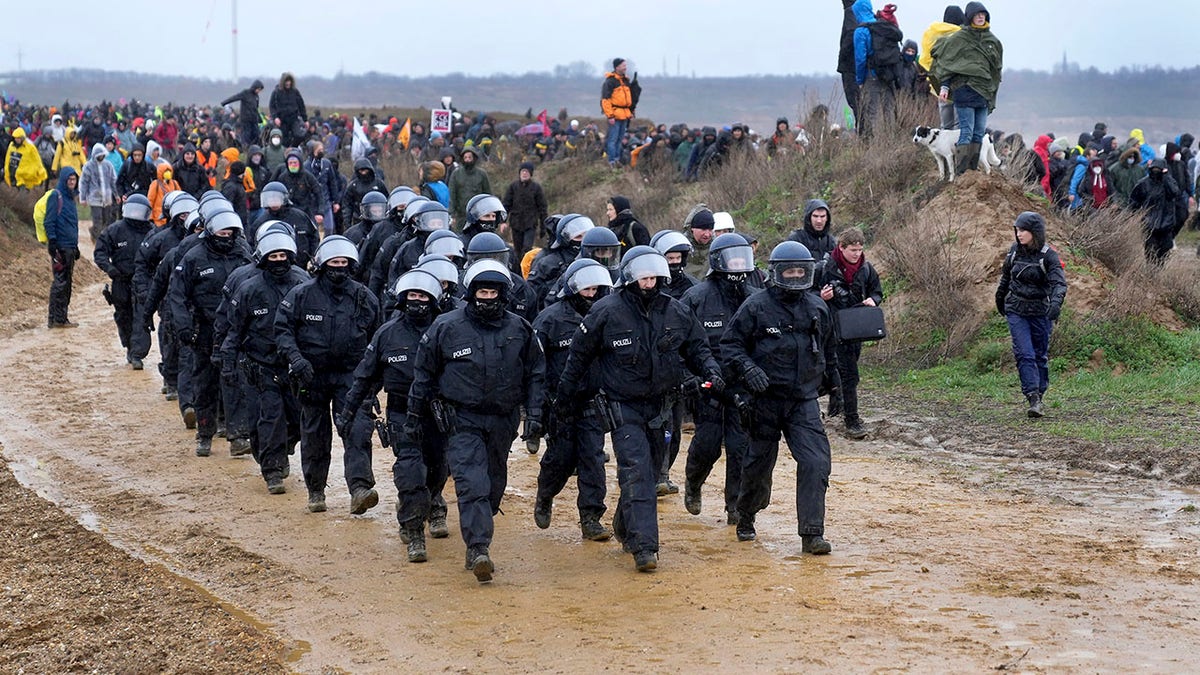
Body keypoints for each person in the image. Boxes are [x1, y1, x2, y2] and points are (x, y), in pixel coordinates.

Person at [556, 246, 723, 572]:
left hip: (661, 406)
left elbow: (698, 348)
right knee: (637, 471)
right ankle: (645, 548)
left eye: (654, 277)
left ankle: (625, 524)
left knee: (647, 471)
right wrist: (564, 401)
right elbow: (577, 359)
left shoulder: (675, 311)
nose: (650, 283)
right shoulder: (606, 312)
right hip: (623, 406)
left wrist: (711, 373)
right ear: (631, 276)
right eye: (644, 276)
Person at [407, 260, 545, 582]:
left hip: (503, 420)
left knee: (494, 484)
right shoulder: (445, 327)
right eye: (482, 291)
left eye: (493, 292)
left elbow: (536, 374)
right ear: (471, 293)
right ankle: (478, 548)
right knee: (472, 484)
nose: (487, 298)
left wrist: (535, 414)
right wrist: (414, 415)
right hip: (461, 419)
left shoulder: (520, 329)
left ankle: (481, 528)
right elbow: (424, 373)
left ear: (503, 295)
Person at [720, 241, 839, 552]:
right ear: (777, 272)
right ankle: (745, 514)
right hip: (764, 400)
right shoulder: (755, 307)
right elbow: (729, 346)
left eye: (802, 271)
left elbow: (829, 349)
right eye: (791, 271)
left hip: (802, 400)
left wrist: (835, 388)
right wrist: (748, 370)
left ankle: (812, 534)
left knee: (816, 462)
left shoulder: (817, 307)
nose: (797, 276)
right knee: (758, 465)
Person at [340, 269, 450, 562]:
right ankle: (413, 529)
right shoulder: (387, 333)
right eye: (412, 295)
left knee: (438, 469)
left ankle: (430, 504)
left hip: (440, 414)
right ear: (403, 298)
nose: (417, 301)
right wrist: (349, 411)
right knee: (411, 471)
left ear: (433, 299)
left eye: (423, 295)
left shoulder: (446, 329)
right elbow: (365, 376)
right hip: (402, 415)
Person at [275, 236, 381, 514]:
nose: (339, 268)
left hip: (351, 377)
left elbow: (378, 339)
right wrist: (296, 360)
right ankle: (316, 490)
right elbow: (282, 330)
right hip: (312, 375)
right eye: (334, 263)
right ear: (322, 265)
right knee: (314, 433)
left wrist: (372, 378)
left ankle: (359, 488)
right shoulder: (301, 295)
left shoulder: (364, 297)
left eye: (344, 263)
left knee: (357, 429)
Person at [221, 229, 310, 494]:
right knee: (269, 417)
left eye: (283, 255)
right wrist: (227, 363)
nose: (279, 260)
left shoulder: (302, 283)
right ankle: (272, 469)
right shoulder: (249, 288)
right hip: (261, 364)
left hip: (294, 365)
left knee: (297, 418)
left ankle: (284, 447)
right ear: (264, 258)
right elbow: (233, 330)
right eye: (274, 255)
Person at [532, 259, 614, 541]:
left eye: (596, 289)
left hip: (592, 401)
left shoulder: (606, 315)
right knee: (562, 458)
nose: (591, 294)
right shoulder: (550, 319)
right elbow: (536, 365)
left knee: (593, 458)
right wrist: (539, 407)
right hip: (560, 403)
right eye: (586, 288)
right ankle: (545, 493)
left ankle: (591, 517)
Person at [680, 234, 756, 527]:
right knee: (708, 444)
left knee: (740, 447)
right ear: (718, 261)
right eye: (732, 259)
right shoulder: (697, 297)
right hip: (707, 384)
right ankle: (693, 481)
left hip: (741, 386)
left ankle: (734, 505)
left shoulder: (753, 297)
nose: (737, 265)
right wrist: (690, 378)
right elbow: (681, 342)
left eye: (742, 259)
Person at [168, 210, 253, 456]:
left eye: (230, 233)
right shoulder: (194, 257)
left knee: (235, 380)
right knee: (205, 382)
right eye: (221, 232)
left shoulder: (242, 254)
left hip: (236, 331)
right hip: (204, 328)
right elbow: (177, 294)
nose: (226, 237)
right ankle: (205, 433)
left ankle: (237, 435)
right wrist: (184, 327)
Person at [994, 212, 1067, 417]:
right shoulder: (1014, 253)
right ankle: (1032, 396)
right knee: (1024, 353)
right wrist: (1000, 297)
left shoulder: (1048, 255)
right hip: (1016, 309)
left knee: (1039, 355)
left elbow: (1059, 284)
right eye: (1017, 230)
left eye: (1023, 230)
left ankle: (1039, 394)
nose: (1019, 234)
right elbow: (1006, 277)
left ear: (1034, 232)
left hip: (1040, 311)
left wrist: (1055, 305)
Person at [817, 228, 883, 439]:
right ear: (841, 247)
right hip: (830, 327)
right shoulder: (824, 267)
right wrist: (821, 296)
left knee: (843, 372)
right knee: (849, 374)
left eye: (860, 250)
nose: (856, 254)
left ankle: (837, 408)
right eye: (853, 250)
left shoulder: (865, 268)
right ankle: (852, 420)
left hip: (855, 328)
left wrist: (874, 300)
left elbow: (877, 290)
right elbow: (805, 293)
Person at [931, 2, 1003, 175]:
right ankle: (962, 172)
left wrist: (992, 89)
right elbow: (947, 62)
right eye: (977, 14)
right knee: (967, 131)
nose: (980, 17)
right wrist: (945, 86)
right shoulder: (960, 38)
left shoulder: (991, 41)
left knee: (979, 133)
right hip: (964, 90)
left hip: (983, 92)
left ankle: (972, 171)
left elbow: (995, 68)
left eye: (983, 14)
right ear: (969, 17)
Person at [94, 195, 155, 369]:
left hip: (143, 281)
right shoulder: (114, 230)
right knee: (123, 316)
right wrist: (110, 268)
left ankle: (138, 353)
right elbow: (100, 252)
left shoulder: (152, 232)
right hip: (121, 279)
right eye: (133, 210)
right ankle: (130, 346)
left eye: (139, 211)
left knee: (142, 316)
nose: (136, 214)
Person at [853, 0, 902, 139]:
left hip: (871, 75)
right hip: (888, 73)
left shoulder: (861, 31)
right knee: (889, 110)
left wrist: (860, 80)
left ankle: (877, 147)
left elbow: (860, 59)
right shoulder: (883, 25)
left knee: (872, 112)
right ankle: (892, 143)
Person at [44, 167, 80, 328]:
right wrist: (52, 242)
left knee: (66, 283)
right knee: (60, 283)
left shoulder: (71, 198)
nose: (72, 183)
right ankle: (55, 319)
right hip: (60, 247)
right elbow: (49, 221)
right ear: (64, 180)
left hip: (70, 247)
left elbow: (71, 224)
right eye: (69, 180)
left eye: (74, 180)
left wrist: (76, 246)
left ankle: (61, 318)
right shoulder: (55, 196)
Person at [920, 6, 966, 129]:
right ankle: (957, 148)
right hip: (958, 83)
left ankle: (945, 148)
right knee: (958, 125)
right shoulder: (961, 35)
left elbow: (926, 58)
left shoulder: (934, 33)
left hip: (939, 82)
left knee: (945, 125)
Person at [1130, 160, 1181, 264]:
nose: (1156, 172)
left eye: (1159, 170)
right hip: (1149, 223)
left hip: (1166, 223)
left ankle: (1159, 270)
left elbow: (1175, 192)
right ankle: (1151, 273)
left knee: (1164, 251)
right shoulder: (1143, 183)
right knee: (1151, 251)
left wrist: (1166, 177)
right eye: (1154, 170)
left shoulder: (1169, 182)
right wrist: (1136, 215)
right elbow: (1134, 200)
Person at [501, 162, 547, 263]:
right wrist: (503, 221)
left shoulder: (536, 188)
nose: (524, 173)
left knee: (526, 249)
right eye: (522, 171)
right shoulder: (513, 187)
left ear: (531, 174)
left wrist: (544, 227)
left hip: (530, 224)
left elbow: (542, 208)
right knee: (517, 250)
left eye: (527, 172)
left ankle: (525, 268)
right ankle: (518, 271)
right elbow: (506, 205)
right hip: (516, 223)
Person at [79, 143, 120, 242]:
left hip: (107, 198)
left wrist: (116, 195)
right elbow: (84, 183)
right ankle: (97, 240)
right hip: (94, 198)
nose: (101, 157)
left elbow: (113, 181)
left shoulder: (108, 165)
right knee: (98, 220)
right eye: (99, 155)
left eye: (102, 155)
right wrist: (83, 198)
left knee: (106, 220)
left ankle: (94, 231)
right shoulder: (88, 166)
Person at [601, 59, 636, 166]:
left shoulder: (626, 81)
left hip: (625, 114)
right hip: (615, 115)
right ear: (617, 67)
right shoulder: (610, 82)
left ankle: (617, 159)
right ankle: (611, 161)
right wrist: (610, 115)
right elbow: (605, 100)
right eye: (623, 65)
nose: (625, 67)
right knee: (613, 139)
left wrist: (631, 110)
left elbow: (629, 98)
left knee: (620, 139)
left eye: (625, 65)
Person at [340, 159, 388, 233]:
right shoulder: (353, 186)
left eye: (365, 170)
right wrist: (347, 223)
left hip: (379, 218)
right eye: (361, 171)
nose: (363, 173)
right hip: (359, 219)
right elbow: (347, 205)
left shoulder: (379, 183)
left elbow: (387, 200)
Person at [447, 147, 491, 224]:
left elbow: (487, 193)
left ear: (474, 158)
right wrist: (452, 213)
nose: (467, 160)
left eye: (470, 157)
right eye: (465, 157)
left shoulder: (481, 174)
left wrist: (488, 211)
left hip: (478, 213)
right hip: (461, 214)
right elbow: (452, 194)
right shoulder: (456, 174)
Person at [837, 0, 862, 122]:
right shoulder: (860, 12)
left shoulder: (850, 12)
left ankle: (863, 136)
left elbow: (852, 34)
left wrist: (843, 56)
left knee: (856, 103)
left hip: (850, 66)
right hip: (855, 65)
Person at [222, 79, 265, 146]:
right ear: (255, 87)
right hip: (246, 120)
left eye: (260, 90)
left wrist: (259, 119)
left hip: (254, 120)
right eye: (258, 89)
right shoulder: (245, 93)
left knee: (256, 134)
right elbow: (235, 97)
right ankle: (245, 148)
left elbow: (255, 109)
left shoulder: (256, 97)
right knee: (246, 136)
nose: (259, 91)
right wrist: (224, 103)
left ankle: (255, 147)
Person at [269, 72, 307, 148]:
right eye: (286, 81)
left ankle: (293, 147)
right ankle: (286, 153)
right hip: (282, 120)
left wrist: (305, 119)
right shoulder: (276, 93)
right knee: (284, 140)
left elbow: (301, 105)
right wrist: (275, 117)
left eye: (289, 81)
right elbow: (272, 106)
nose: (288, 83)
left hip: (294, 118)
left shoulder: (295, 92)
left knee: (299, 135)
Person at [682, 204, 716, 279]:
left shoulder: (716, 250)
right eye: (703, 229)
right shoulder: (681, 249)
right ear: (692, 229)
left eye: (710, 229)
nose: (707, 234)